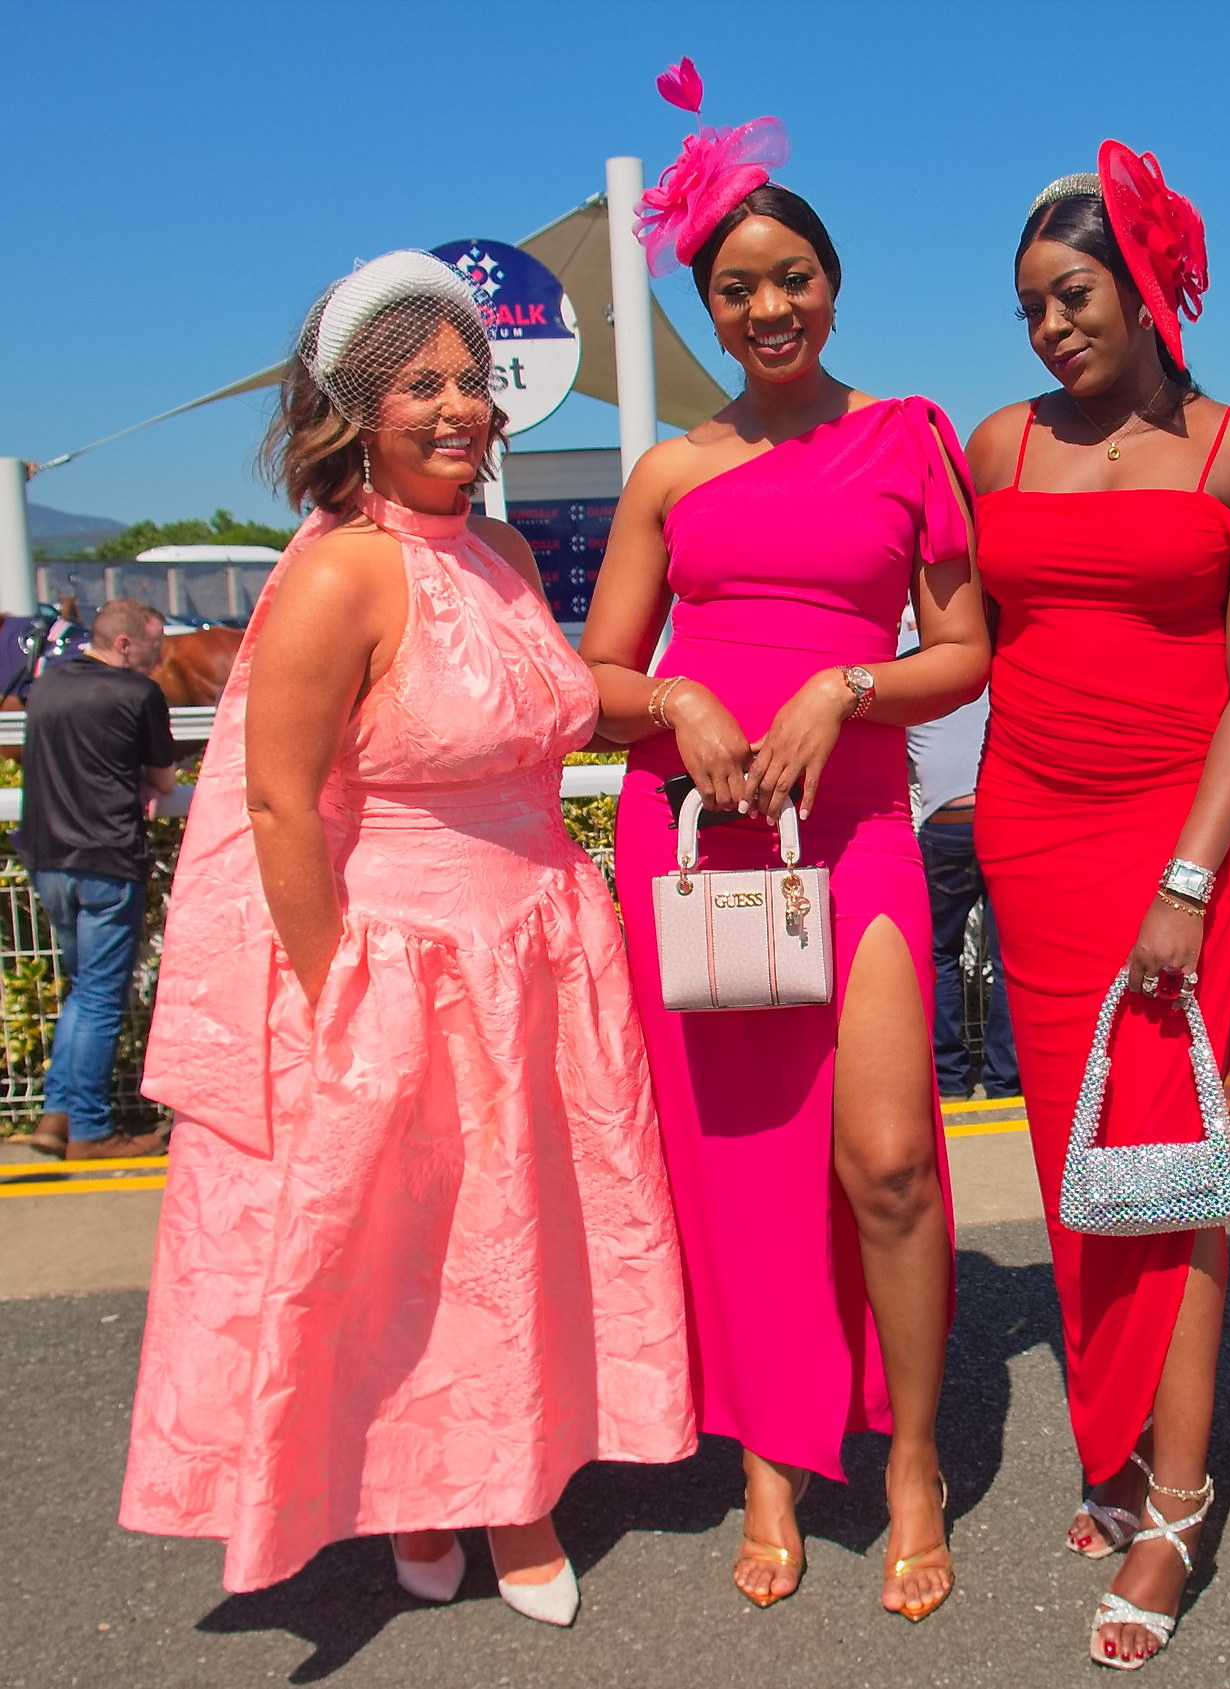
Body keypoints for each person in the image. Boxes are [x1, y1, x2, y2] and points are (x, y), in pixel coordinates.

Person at [118, 251, 694, 1619]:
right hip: (407, 963)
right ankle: (426, 1493)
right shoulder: (340, 576)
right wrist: (335, 995)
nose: (461, 408)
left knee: (527, 1233)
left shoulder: (493, 552)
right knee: (421, 1247)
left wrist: (680, 706)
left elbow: (546, 706)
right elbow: (274, 802)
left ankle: (516, 1492)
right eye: (421, 386)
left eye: (474, 382)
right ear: (354, 411)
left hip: (542, 943)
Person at [582, 64, 988, 1622]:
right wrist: (676, 695)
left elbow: (966, 651)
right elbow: (595, 683)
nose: (770, 308)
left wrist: (846, 680)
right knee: (740, 1175)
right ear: (710, 300)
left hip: (860, 827)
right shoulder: (672, 470)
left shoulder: (906, 436)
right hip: (695, 851)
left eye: (793, 278)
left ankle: (908, 1461)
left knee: (888, 1158)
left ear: (833, 282)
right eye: (739, 287)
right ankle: (766, 1456)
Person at [966, 146, 1230, 1671]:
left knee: (1178, 1168)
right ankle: (1113, 1446)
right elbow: (958, 641)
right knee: (1076, 1160)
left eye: (1075, 294)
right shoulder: (999, 448)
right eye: (1033, 306)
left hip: (1176, 835)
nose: (1051, 329)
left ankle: (1177, 1501)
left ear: (1148, 286)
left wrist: (1187, 872)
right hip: (1032, 842)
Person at [19, 597, 175, 1160]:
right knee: (103, 999)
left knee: (83, 992)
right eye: (156, 648)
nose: (161, 660)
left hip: (46, 857)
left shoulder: (49, 685)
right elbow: (161, 776)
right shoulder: (138, 695)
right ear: (126, 643)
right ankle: (89, 1128)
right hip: (106, 859)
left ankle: (56, 1116)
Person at [907, 690, 1018, 1099]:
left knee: (937, 952)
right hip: (1005, 815)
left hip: (947, 818)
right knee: (1008, 959)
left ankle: (948, 1079)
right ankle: (1005, 1081)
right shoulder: (991, 661)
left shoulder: (904, 664)